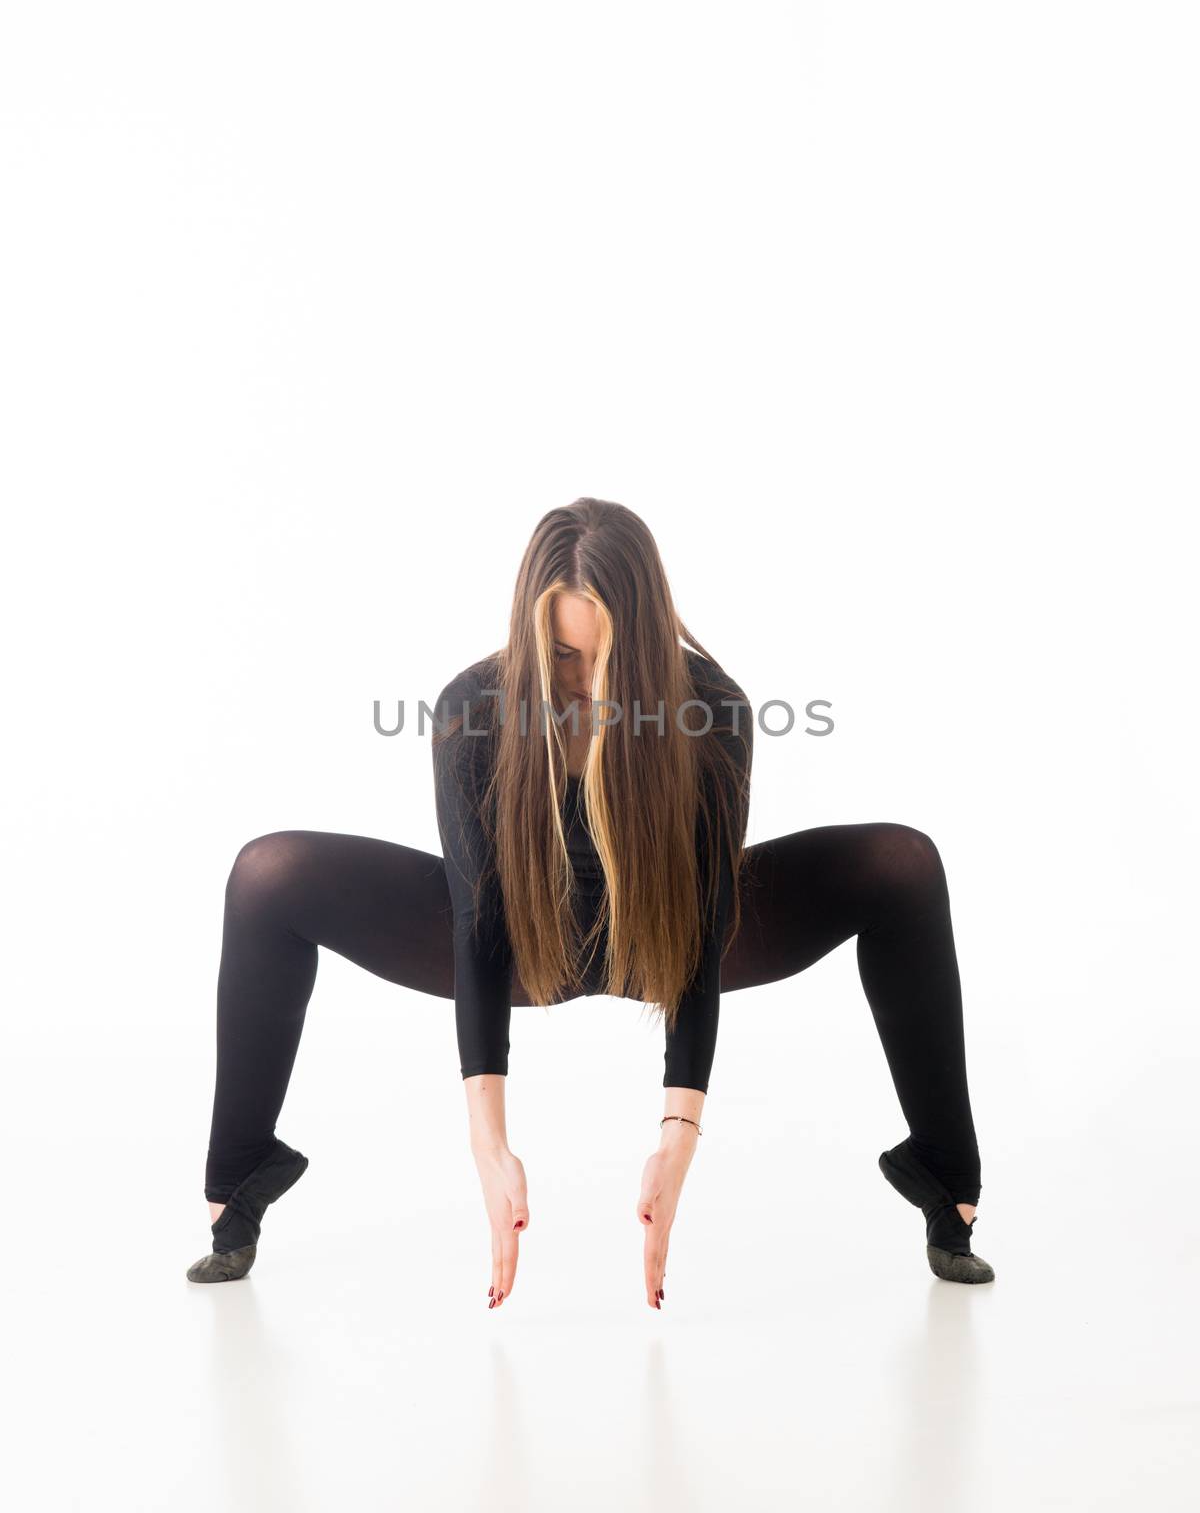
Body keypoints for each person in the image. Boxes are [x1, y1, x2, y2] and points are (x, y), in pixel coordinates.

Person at [188, 496, 992, 1295]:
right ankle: (237, 1183)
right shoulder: (474, 707)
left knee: (903, 864)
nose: (585, 681)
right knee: (268, 874)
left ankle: (946, 1181)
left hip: (662, 938)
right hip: (519, 945)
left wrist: (678, 1138)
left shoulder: (711, 709)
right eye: (564, 657)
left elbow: (702, 929)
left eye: (606, 655)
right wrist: (489, 1143)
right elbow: (476, 922)